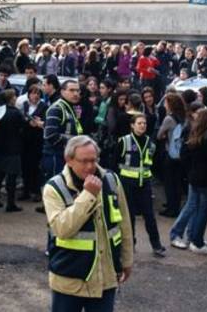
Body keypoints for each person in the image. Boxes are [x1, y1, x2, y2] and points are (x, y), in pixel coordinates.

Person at [43, 136, 133, 312]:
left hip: (104, 277)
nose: (90, 166)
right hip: (69, 278)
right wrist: (88, 195)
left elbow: (125, 224)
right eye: (84, 161)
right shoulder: (54, 188)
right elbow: (62, 228)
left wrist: (127, 260)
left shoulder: (111, 180)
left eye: (93, 160)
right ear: (68, 160)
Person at [169, 108, 207, 254]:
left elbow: (184, 155)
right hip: (206, 181)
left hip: (194, 178)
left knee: (193, 207)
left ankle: (191, 237)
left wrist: (191, 171)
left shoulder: (194, 136)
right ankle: (195, 240)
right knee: (202, 211)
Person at [116, 114, 166, 257]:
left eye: (144, 123)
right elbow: (115, 161)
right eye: (139, 123)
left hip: (144, 183)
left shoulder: (150, 143)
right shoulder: (124, 141)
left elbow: (153, 163)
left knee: (149, 215)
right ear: (132, 125)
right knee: (128, 216)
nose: (142, 125)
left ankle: (156, 245)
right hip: (127, 183)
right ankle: (130, 244)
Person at [42, 80, 83, 190]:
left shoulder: (71, 108)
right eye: (71, 90)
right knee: (57, 191)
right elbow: (50, 135)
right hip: (56, 156)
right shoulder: (56, 108)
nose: (75, 94)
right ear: (62, 92)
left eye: (77, 91)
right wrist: (74, 143)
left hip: (67, 156)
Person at [0, 89, 27, 212]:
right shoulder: (16, 113)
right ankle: (10, 203)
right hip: (13, 147)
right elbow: (23, 127)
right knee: (11, 177)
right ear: (12, 98)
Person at [157, 93, 187, 218]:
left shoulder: (168, 118)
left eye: (165, 102)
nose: (164, 104)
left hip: (170, 153)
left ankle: (171, 208)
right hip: (181, 154)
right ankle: (175, 205)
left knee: (169, 183)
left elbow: (159, 135)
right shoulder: (183, 117)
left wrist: (164, 136)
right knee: (177, 182)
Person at [19, 85, 47, 202]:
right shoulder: (25, 105)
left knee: (36, 166)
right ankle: (26, 190)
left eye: (38, 94)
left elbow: (45, 122)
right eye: (33, 93)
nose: (35, 96)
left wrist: (39, 123)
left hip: (37, 140)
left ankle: (36, 191)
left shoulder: (44, 106)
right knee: (25, 166)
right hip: (25, 140)